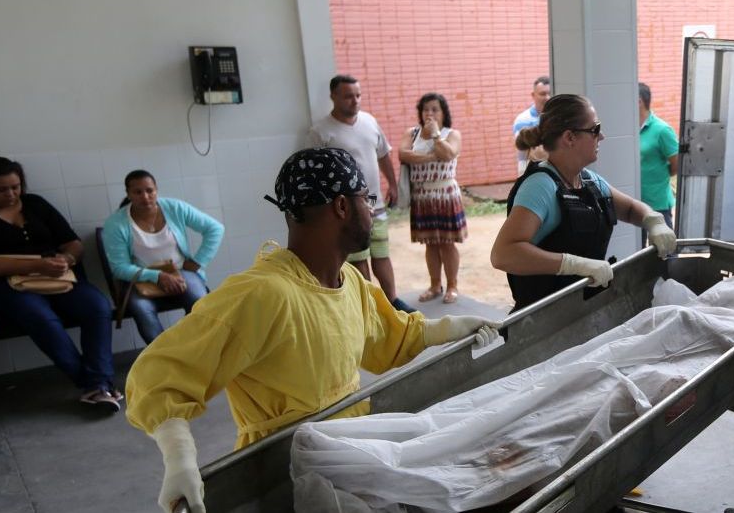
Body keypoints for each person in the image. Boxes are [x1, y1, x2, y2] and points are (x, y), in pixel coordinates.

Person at [125, 147, 499, 513]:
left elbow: (388, 338)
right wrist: (179, 456)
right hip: (281, 471)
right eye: (365, 199)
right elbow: (160, 374)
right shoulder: (263, 294)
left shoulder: (349, 280)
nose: (371, 210)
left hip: (350, 452)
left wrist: (449, 327)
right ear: (341, 206)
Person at [491, 94, 678, 311]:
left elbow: (629, 208)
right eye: (595, 130)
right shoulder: (541, 186)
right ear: (570, 137)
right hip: (543, 319)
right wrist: (573, 264)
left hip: (581, 311)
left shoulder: (588, 180)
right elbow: (503, 254)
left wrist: (653, 220)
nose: (602, 137)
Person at [0, 156, 121, 411]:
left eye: (16, 187)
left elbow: (72, 242)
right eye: (1, 189)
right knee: (41, 318)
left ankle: (97, 385)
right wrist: (36, 265)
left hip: (56, 277)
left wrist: (67, 258)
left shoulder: (35, 205)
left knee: (97, 306)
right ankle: (95, 384)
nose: (11, 194)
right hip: (9, 285)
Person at [310, 75, 410, 311]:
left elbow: (383, 154)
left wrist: (393, 185)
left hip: (374, 202)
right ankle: (370, 308)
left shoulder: (369, 121)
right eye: (348, 96)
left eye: (358, 95)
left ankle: (392, 303)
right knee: (358, 258)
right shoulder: (320, 132)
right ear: (333, 96)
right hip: (347, 209)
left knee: (381, 252)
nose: (355, 101)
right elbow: (316, 174)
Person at [102, 169, 224, 343]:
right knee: (142, 309)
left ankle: (197, 349)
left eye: (149, 190)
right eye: (137, 192)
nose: (145, 197)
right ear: (128, 194)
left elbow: (215, 229)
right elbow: (119, 268)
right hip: (141, 278)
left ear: (156, 190)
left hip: (181, 271)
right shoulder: (116, 223)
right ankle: (164, 357)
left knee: (200, 302)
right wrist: (158, 276)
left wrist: (198, 261)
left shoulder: (175, 208)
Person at [398, 92, 468, 304]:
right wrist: (430, 156)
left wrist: (436, 135)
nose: (429, 113)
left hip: (445, 194)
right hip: (423, 196)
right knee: (430, 243)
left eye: (434, 109)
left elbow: (448, 154)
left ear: (443, 113)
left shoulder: (452, 133)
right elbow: (403, 154)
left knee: (447, 243)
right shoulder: (412, 133)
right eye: (425, 109)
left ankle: (452, 285)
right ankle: (435, 284)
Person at [637, 82, 679, 227]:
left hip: (658, 202)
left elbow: (676, 163)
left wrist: (658, 176)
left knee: (665, 247)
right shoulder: (628, 129)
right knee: (638, 247)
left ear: (639, 101)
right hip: (635, 202)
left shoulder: (662, 130)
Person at [512, 75, 551, 174]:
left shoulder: (559, 117)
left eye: (549, 93)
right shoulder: (522, 120)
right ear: (533, 95)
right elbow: (522, 149)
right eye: (542, 94)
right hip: (530, 170)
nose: (547, 97)